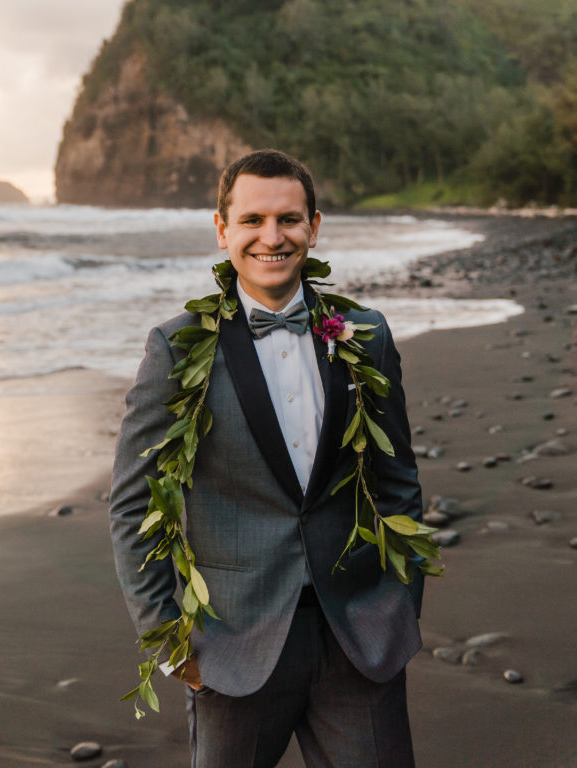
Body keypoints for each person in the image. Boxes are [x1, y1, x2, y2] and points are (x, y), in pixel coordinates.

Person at [110, 149, 424, 768]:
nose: (271, 238)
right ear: (222, 229)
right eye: (252, 220)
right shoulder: (175, 349)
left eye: (289, 219)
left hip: (359, 637)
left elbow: (398, 482)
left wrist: (398, 604)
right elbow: (131, 505)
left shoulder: (367, 334)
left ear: (314, 226)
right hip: (233, 645)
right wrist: (171, 643)